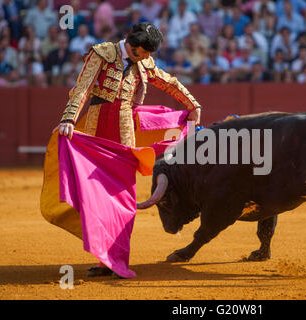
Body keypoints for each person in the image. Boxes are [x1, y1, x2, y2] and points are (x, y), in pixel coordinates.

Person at [52, 23, 202, 277]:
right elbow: (83, 88)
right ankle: (103, 257)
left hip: (124, 133)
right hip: (96, 129)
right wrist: (69, 118)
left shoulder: (145, 63)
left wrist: (193, 104)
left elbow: (169, 82)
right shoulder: (102, 53)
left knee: (122, 197)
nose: (140, 57)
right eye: (136, 52)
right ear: (127, 40)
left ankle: (115, 258)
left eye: (144, 55)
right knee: (97, 195)